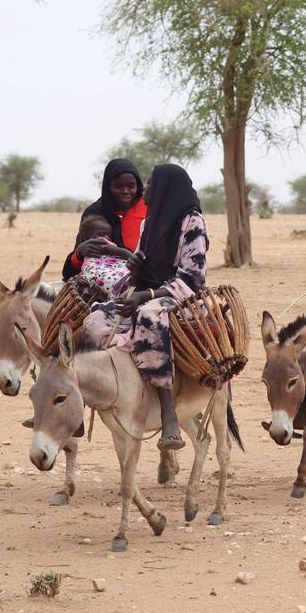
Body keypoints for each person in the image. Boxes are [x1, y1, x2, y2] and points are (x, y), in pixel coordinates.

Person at [83, 164, 208, 451]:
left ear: (166, 188)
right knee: (96, 318)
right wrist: (135, 274)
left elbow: (193, 278)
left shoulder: (193, 222)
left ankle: (167, 411)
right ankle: (122, 383)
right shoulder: (147, 223)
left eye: (150, 183)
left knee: (148, 316)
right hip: (146, 291)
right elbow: (140, 269)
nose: (145, 190)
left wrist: (146, 295)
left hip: (180, 296)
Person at [63, 158, 148, 279]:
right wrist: (79, 254)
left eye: (131, 186)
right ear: (107, 186)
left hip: (146, 277)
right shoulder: (95, 212)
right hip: (104, 279)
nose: (125, 191)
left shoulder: (148, 207)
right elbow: (75, 266)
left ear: (138, 186)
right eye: (118, 186)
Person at [76, 215, 134, 299]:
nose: (107, 238)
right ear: (87, 239)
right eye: (102, 234)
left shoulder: (112, 248)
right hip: (107, 281)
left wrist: (114, 250)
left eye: (109, 235)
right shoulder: (88, 250)